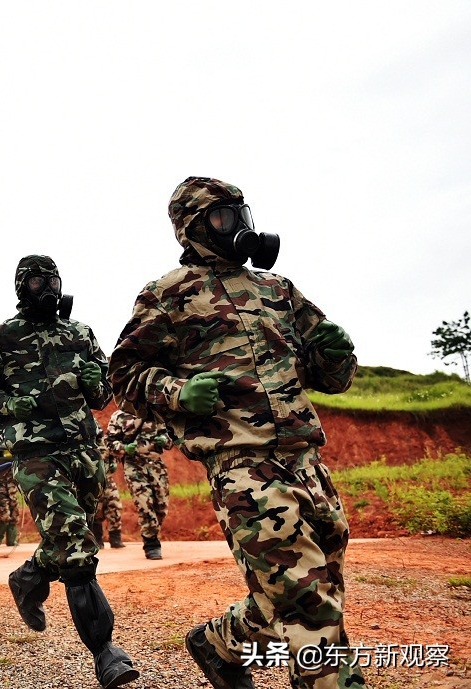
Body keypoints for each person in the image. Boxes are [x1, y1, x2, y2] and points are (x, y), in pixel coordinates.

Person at [109, 176, 364, 689]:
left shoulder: (278, 290)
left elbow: (332, 377)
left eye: (242, 214)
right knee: (307, 599)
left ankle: (219, 643)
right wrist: (179, 392)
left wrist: (336, 354)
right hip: (243, 466)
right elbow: (123, 376)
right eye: (224, 217)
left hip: (307, 461)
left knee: (311, 586)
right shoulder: (167, 295)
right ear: (194, 227)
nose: (239, 226)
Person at [0, 255, 140, 688]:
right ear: (21, 287)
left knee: (72, 537)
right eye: (37, 282)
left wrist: (94, 381)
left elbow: (102, 395)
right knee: (76, 548)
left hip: (84, 451)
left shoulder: (79, 333)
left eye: (53, 281)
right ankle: (105, 652)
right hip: (37, 456)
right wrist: (10, 405)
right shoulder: (3, 337)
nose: (47, 289)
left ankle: (28, 578)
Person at [105, 410, 171, 559]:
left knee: (161, 507)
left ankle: (152, 533)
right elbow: (108, 442)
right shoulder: (119, 416)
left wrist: (165, 440)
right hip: (133, 466)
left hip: (156, 465)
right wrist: (123, 448)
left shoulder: (156, 411)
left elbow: (171, 437)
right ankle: (151, 544)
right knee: (144, 504)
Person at [93, 427, 125, 549]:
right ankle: (97, 539)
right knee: (95, 509)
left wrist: (113, 462)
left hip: (108, 479)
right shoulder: (86, 445)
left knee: (114, 505)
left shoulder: (105, 442)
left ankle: (115, 538)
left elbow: (114, 452)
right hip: (93, 482)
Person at [0, 466, 21, 546]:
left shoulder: (15, 467)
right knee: (5, 516)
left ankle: (11, 541)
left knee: (14, 517)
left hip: (12, 494)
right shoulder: (1, 467)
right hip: (2, 494)